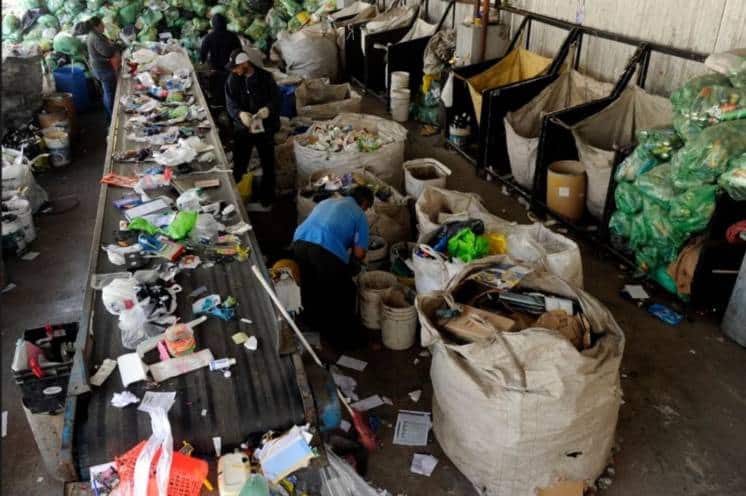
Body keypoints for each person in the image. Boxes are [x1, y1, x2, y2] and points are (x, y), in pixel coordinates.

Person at [291, 187, 374, 350]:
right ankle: (341, 341)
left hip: (299, 242)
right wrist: (354, 263)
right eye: (368, 206)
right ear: (364, 203)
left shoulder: (327, 201)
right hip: (324, 249)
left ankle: (313, 325)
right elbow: (359, 252)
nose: (366, 210)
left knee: (311, 285)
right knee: (343, 292)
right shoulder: (359, 214)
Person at [225, 49, 281, 208]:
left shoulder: (265, 78)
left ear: (245, 63)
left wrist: (268, 109)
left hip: (265, 129)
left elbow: (276, 99)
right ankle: (235, 198)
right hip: (244, 129)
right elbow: (230, 103)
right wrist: (240, 114)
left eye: (236, 67)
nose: (234, 70)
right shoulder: (232, 79)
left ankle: (267, 197)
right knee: (240, 162)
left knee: (267, 162)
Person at [199, 13, 241, 107]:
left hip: (216, 68)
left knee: (216, 87)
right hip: (230, 68)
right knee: (231, 87)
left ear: (213, 24)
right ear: (225, 24)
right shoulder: (232, 36)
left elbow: (203, 52)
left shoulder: (209, 37)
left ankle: (217, 103)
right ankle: (231, 105)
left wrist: (202, 61)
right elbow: (239, 51)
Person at [86, 17, 119, 121]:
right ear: (96, 26)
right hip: (102, 69)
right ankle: (112, 117)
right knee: (109, 92)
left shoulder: (96, 35)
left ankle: (109, 115)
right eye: (102, 24)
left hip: (101, 67)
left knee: (107, 91)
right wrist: (114, 46)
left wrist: (111, 44)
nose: (104, 26)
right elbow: (107, 52)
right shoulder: (95, 38)